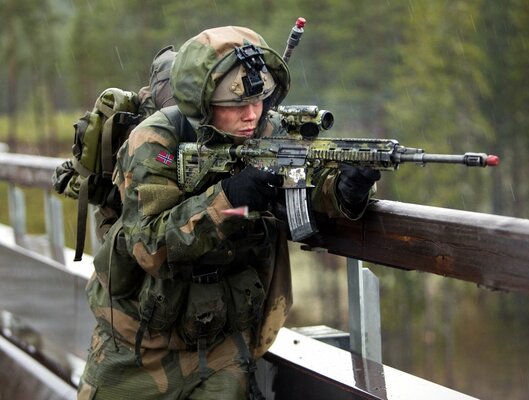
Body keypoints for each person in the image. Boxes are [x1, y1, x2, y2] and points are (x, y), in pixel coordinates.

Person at [77, 26, 380, 400]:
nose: (252, 115)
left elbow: (311, 183)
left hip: (225, 345)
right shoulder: (155, 141)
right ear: (202, 103)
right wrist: (229, 198)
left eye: (259, 100)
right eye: (236, 106)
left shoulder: (269, 130)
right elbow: (151, 247)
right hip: (139, 347)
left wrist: (344, 190)